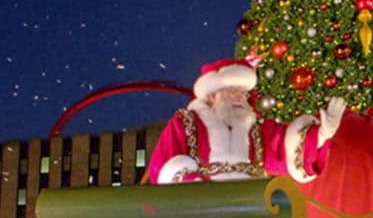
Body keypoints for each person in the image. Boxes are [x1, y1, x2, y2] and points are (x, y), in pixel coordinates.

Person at [147, 58, 345, 185]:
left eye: (242, 93)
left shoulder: (255, 128)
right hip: (200, 216)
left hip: (248, 213)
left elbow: (285, 150)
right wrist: (197, 189)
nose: (239, 97)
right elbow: (162, 169)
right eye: (232, 91)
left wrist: (321, 135)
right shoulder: (186, 123)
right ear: (212, 95)